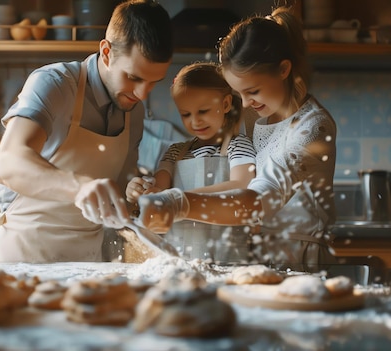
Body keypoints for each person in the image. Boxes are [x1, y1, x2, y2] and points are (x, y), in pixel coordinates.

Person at [134, 7, 338, 270]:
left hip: (298, 255)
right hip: (258, 253)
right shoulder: (258, 113)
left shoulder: (312, 127)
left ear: (284, 69)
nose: (245, 103)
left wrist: (179, 202)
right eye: (240, 93)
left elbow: (257, 201)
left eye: (252, 90)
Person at [0, 0, 173, 263]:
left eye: (153, 83)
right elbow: (8, 163)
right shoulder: (54, 84)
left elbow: (117, 193)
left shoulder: (134, 111)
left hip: (84, 266)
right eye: (133, 78)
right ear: (106, 52)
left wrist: (135, 195)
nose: (141, 94)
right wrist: (79, 187)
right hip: (20, 257)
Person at [125, 62, 256, 262]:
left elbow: (242, 186)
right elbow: (159, 188)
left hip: (228, 258)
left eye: (203, 111)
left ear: (226, 104)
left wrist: (180, 201)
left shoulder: (238, 145)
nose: (195, 121)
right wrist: (139, 190)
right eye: (186, 114)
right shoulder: (176, 151)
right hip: (179, 257)